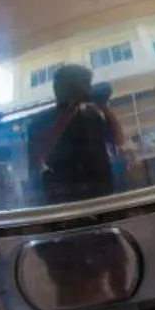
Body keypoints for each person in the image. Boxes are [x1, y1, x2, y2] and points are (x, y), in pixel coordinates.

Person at [35, 65, 120, 205]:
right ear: (65, 90)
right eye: (84, 86)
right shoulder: (42, 121)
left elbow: (117, 140)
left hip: (103, 195)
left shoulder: (91, 115)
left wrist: (104, 106)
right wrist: (70, 109)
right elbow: (41, 156)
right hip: (66, 200)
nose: (88, 90)